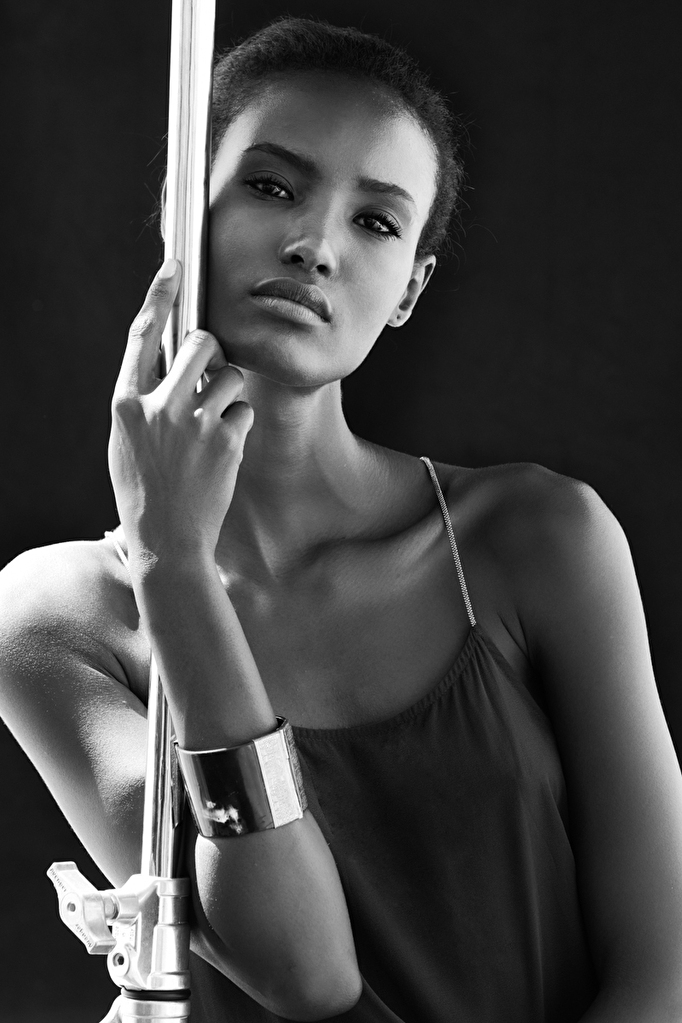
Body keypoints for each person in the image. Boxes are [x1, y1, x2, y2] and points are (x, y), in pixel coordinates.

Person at [2, 16, 682, 1023]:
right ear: (180, 208)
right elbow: (303, 973)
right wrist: (173, 563)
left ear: (410, 289)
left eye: (375, 222)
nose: (314, 246)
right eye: (272, 187)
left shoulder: (537, 541)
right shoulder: (55, 621)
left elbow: (663, 972)